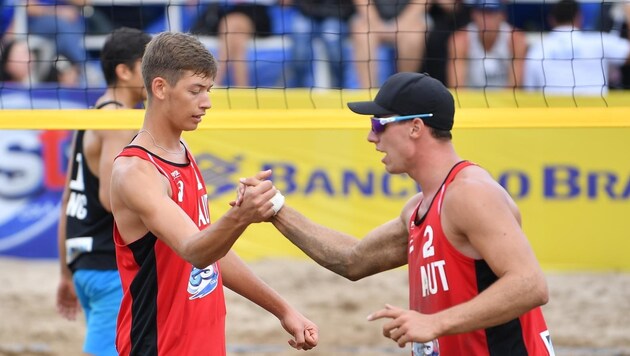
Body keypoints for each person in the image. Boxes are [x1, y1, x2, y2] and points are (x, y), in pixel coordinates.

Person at [240, 72, 555, 355]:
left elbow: (530, 284)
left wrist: (436, 323)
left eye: (379, 123)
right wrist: (274, 207)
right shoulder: (420, 206)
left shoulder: (471, 193)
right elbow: (352, 259)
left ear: (416, 127)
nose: (371, 136)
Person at [109, 32, 318, 355]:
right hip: (159, 347)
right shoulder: (136, 171)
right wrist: (241, 216)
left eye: (208, 90)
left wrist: (283, 309)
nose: (206, 102)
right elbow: (196, 251)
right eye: (196, 91)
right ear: (161, 88)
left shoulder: (182, 150)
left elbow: (211, 251)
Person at [56, 27, 152, 356]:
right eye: (148, 64)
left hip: (84, 264)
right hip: (108, 266)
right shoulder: (120, 119)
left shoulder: (93, 113)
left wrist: (66, 273)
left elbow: (69, 198)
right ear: (124, 72)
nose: (157, 74)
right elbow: (110, 199)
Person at [524, 0, 630, 95]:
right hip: (596, 112)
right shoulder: (599, 41)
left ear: (551, 19)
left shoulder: (538, 49)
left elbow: (529, 91)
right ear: (579, 17)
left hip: (552, 113)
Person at [191, 0, 277, 87]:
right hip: (224, 12)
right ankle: (242, 87)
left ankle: (215, 81)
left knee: (231, 25)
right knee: (236, 38)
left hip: (254, 13)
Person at [447, 0, 527, 89]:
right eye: (482, 12)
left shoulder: (515, 39)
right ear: (473, 15)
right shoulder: (461, 40)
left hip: (505, 100)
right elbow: (457, 88)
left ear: (502, 15)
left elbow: (514, 88)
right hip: (470, 99)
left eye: (492, 12)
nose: (486, 19)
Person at [350, 0, 427, 88]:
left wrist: (400, 26)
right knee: (362, 33)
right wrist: (377, 24)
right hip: (373, 18)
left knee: (413, 36)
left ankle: (405, 89)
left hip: (409, 18)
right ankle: (367, 91)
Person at [286, 0, 355, 88]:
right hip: (307, 14)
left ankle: (339, 88)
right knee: (300, 44)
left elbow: (348, 8)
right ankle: (300, 88)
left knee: (333, 43)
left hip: (337, 15)